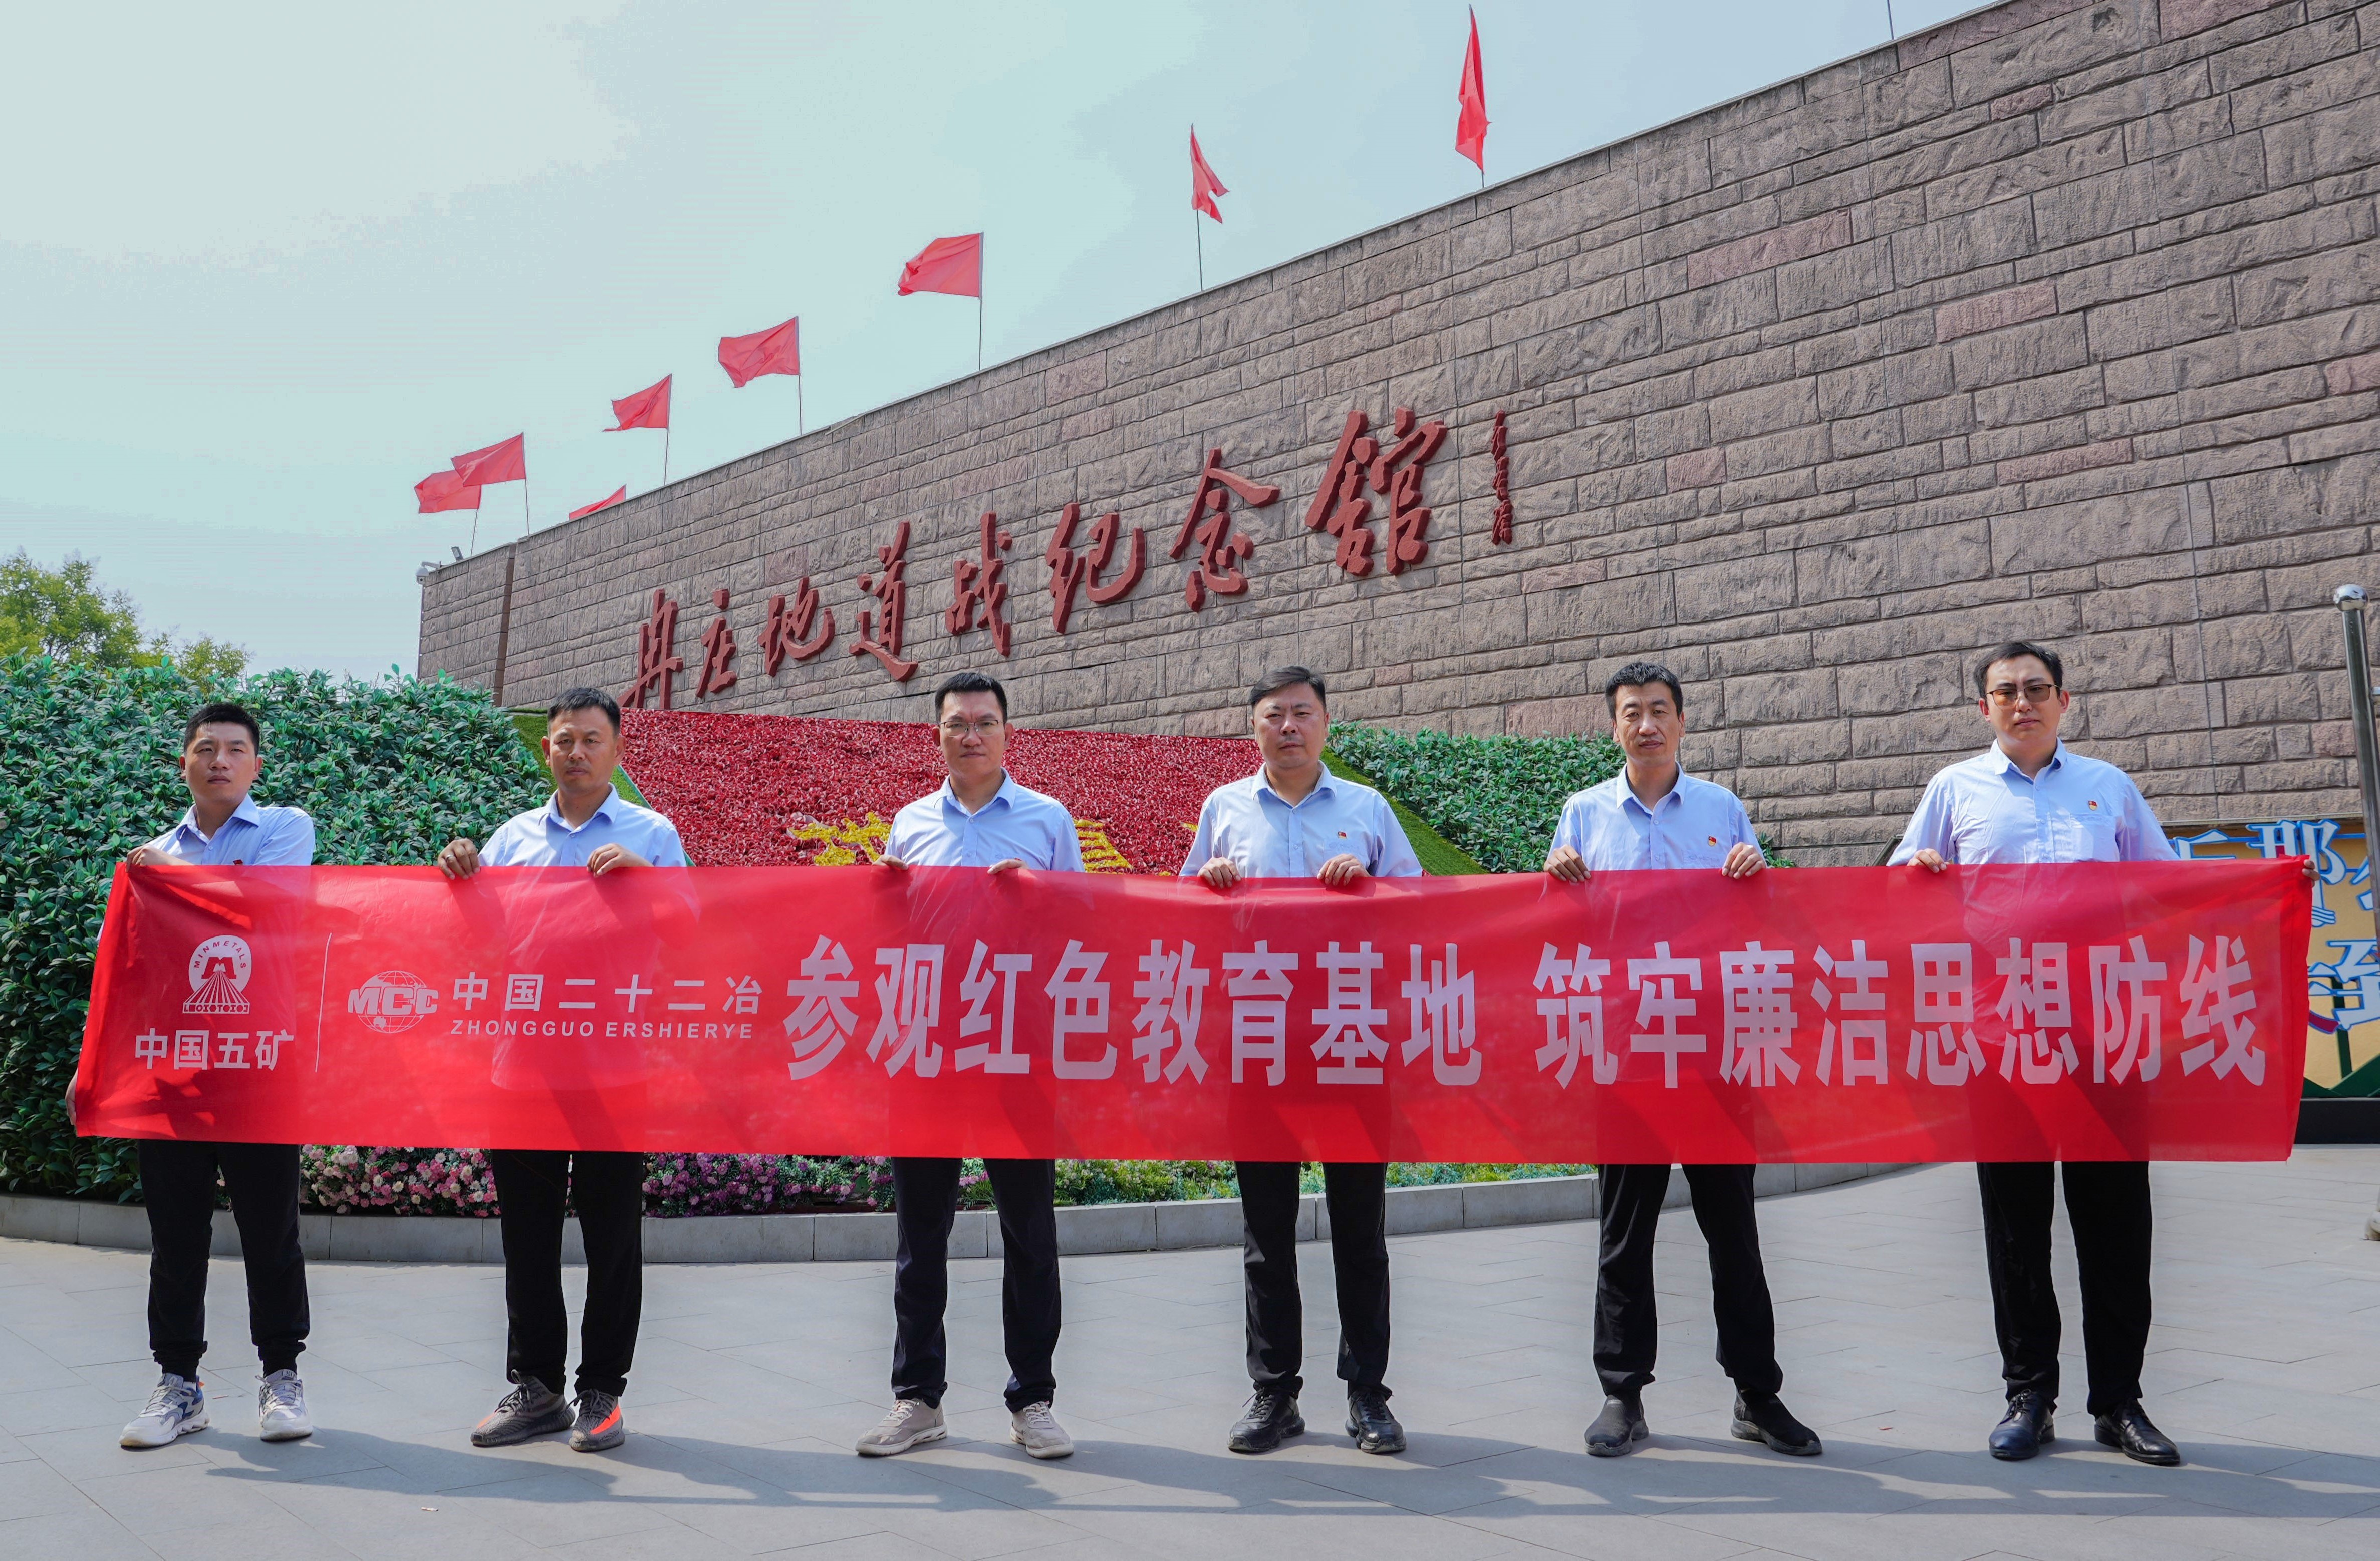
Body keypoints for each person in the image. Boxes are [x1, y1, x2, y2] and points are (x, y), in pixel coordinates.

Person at [1891, 641, 2185, 1466]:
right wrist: (1918, 868)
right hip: (2001, 1035)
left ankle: (2120, 1402)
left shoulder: (2108, 787)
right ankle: (2029, 1395)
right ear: (1983, 707)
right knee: (2016, 1224)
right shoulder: (1955, 789)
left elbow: (2168, 884)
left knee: (2116, 1220)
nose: (2022, 703)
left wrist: (2268, 887)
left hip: (2103, 1032)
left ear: (2065, 701)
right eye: (2005, 692)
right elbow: (1897, 882)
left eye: (2037, 688)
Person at [1544, 661, 1821, 1460]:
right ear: (1614, 726)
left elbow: (1763, 920)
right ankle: (1621, 1393)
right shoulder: (1584, 812)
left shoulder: (1720, 809)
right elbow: (1555, 931)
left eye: (1660, 710)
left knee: (1733, 1227)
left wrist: (1757, 877)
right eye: (1632, 712)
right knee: (1624, 1231)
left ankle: (1757, 1392)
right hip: (1627, 1049)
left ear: (1682, 722)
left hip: (1713, 1049)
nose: (1647, 725)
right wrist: (1555, 883)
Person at [437, 687, 688, 1455]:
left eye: (591, 739)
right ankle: (538, 1386)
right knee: (528, 1234)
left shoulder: (652, 833)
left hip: (615, 1063)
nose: (576, 752)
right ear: (546, 748)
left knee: (613, 1236)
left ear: (617, 749)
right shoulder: (512, 839)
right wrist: (460, 876)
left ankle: (602, 1391)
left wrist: (647, 878)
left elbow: (696, 928)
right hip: (524, 1062)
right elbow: (475, 938)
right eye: (564, 740)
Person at [1184, 666, 1423, 1457]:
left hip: (1351, 1037)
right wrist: (1209, 885)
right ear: (1253, 727)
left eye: (1302, 713)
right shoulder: (1224, 809)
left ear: (1326, 723)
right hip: (1259, 1039)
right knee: (1266, 1228)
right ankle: (1274, 1391)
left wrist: (1370, 887)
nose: (1288, 726)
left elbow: (1422, 908)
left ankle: (1367, 1393)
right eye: (1273, 714)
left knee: (1360, 1224)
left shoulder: (1367, 810)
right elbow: (1180, 919)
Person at [854, 671, 1085, 1461]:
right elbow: (890, 932)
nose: (972, 735)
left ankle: (1034, 1398)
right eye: (958, 723)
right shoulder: (911, 821)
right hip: (928, 1045)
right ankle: (918, 1398)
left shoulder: (1047, 820)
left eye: (985, 722)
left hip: (1017, 1047)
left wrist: (1040, 896)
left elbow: (1086, 924)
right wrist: (881, 895)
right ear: (939, 734)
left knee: (1030, 1230)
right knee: (921, 1232)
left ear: (1008, 732)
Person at [117, 702, 317, 1450]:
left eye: (236, 749)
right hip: (175, 1067)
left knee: (272, 1231)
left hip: (261, 1062)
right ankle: (180, 1384)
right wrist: (97, 1064)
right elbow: (133, 972)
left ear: (256, 765)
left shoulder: (284, 829)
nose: (220, 761)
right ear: (185, 764)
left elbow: (260, 909)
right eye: (206, 749)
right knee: (175, 1237)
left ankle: (282, 1376)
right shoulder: (152, 854)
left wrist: (170, 879)